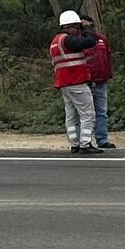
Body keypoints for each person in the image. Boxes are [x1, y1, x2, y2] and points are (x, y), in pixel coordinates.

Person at [50, 11, 102, 155]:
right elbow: (90, 42)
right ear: (69, 27)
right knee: (87, 114)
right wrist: (88, 29)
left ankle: (74, 143)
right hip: (75, 81)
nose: (78, 31)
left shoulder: (55, 41)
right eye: (77, 27)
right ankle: (85, 143)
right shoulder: (68, 40)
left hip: (65, 83)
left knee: (71, 115)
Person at [82, 15, 116, 149]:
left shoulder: (101, 39)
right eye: (84, 26)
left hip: (101, 81)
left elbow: (108, 56)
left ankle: (102, 139)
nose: (87, 29)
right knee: (86, 114)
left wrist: (108, 74)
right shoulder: (79, 41)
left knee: (101, 112)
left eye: (89, 25)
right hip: (86, 82)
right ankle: (84, 140)